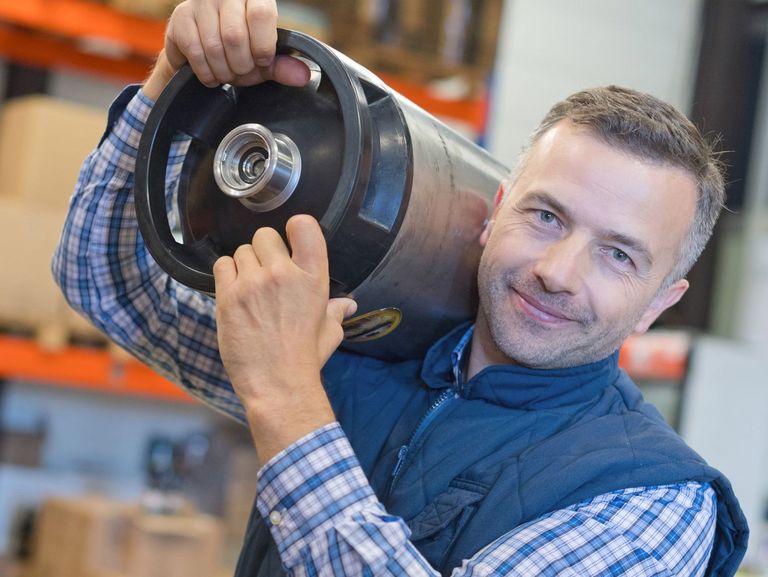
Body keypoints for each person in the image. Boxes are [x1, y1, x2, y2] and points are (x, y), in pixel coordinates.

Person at [53, 0, 748, 575]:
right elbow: (106, 282)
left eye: (619, 255)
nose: (557, 271)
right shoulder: (359, 351)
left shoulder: (655, 501)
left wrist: (288, 400)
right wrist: (175, 88)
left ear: (660, 302)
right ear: (496, 209)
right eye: (545, 215)